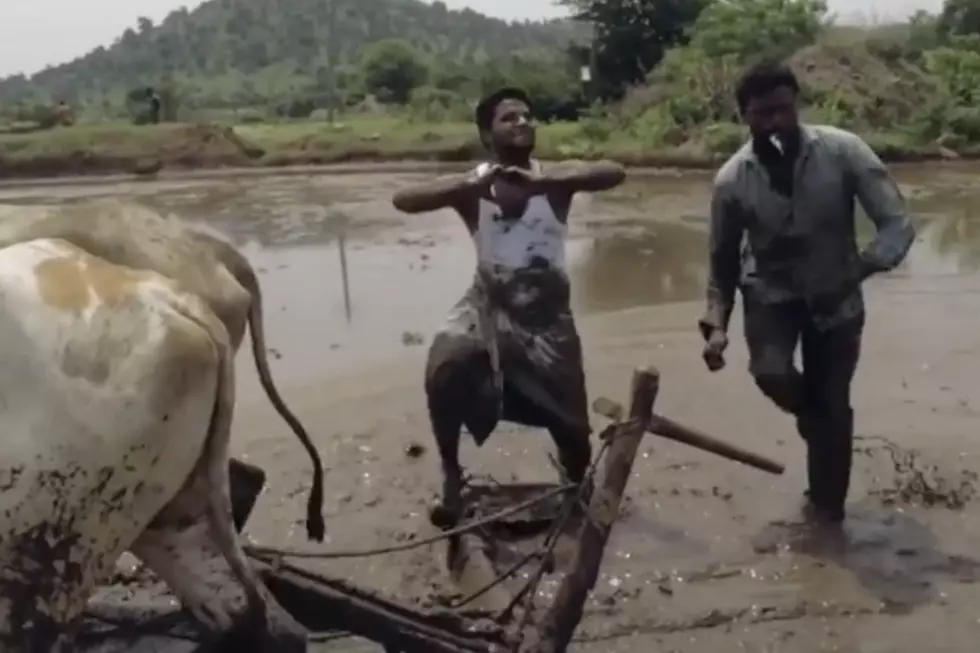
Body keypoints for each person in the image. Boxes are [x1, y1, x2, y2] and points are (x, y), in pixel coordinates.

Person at [391, 87, 626, 524]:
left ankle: (576, 484)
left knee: (574, 430)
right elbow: (403, 200)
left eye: (527, 116)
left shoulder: (556, 181)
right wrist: (468, 184)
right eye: (509, 118)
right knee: (445, 367)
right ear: (486, 134)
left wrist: (544, 182)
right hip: (487, 306)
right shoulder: (472, 188)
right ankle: (450, 478)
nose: (522, 122)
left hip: (547, 318)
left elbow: (614, 172)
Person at [699, 61, 916, 524]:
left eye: (781, 110)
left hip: (837, 298)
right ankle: (816, 422)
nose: (774, 122)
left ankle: (827, 513)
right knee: (771, 372)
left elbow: (896, 224)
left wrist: (859, 269)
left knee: (835, 404)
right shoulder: (732, 180)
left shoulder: (843, 151)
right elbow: (721, 261)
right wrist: (716, 325)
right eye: (761, 115)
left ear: (795, 105)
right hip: (770, 299)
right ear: (745, 118)